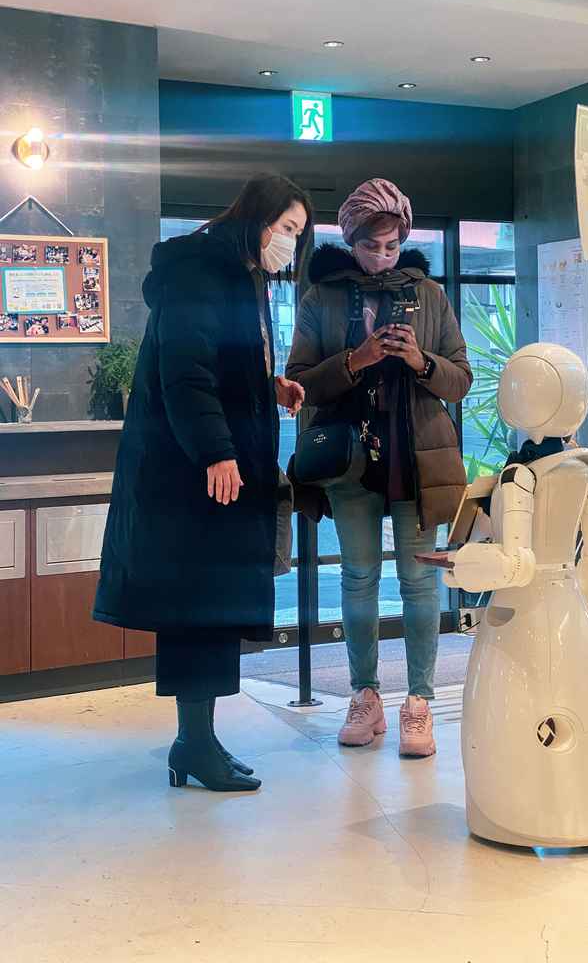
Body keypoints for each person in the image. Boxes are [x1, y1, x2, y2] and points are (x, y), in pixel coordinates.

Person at [94, 174, 312, 792]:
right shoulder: (200, 270)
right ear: (259, 219)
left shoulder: (234, 271)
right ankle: (193, 743)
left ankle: (198, 740)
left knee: (211, 608)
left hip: (214, 472)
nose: (291, 245)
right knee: (198, 609)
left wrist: (270, 387)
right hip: (194, 477)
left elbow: (223, 361)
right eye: (288, 229)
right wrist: (217, 451)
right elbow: (185, 373)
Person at [286, 178, 472, 758]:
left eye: (393, 246)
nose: (384, 257)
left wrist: (420, 360)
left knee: (420, 580)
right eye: (373, 246)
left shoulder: (430, 295)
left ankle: (419, 702)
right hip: (348, 460)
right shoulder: (321, 297)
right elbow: (298, 382)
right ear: (352, 240)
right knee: (359, 578)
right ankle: (365, 696)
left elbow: (461, 380)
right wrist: (355, 359)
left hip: (416, 459)